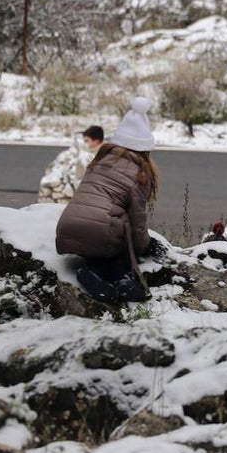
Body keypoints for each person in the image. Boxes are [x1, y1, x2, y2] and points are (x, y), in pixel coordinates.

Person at [56, 97, 159, 303]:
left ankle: (94, 273)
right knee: (119, 230)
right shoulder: (138, 173)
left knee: (101, 235)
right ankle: (123, 278)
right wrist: (146, 246)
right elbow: (138, 221)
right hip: (100, 233)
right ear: (144, 148)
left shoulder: (99, 161)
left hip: (67, 227)